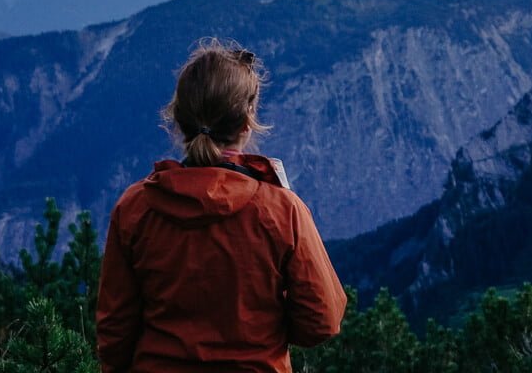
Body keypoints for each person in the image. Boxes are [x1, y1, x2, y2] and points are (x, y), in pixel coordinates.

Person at [96, 40, 347, 373]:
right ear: (247, 121)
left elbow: (114, 330)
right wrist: (263, 328)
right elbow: (322, 320)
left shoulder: (135, 208)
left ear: (178, 118)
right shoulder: (281, 211)